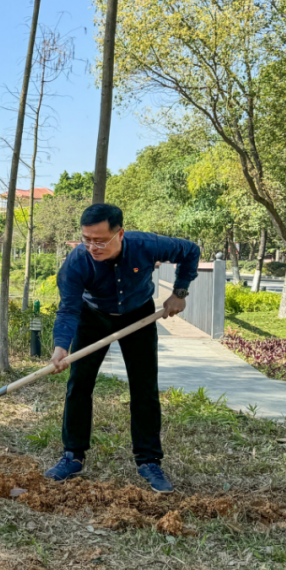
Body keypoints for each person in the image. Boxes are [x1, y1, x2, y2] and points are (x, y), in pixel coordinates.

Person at [45, 204, 200, 493]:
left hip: (138, 315)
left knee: (144, 388)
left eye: (100, 240)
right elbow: (68, 309)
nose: (93, 247)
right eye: (87, 239)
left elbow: (191, 251)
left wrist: (179, 292)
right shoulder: (77, 262)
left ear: (120, 234)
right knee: (79, 384)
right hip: (93, 317)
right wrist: (61, 347)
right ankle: (73, 456)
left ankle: (149, 461)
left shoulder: (146, 245)